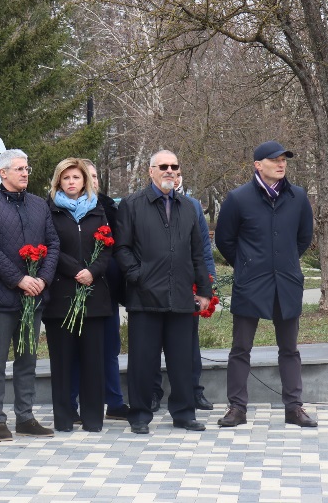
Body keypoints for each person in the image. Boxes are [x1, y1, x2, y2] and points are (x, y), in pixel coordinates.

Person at [215, 141, 316, 428]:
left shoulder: (298, 196)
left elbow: (303, 237)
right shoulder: (238, 198)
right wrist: (246, 265)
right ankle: (237, 407)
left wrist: (283, 263)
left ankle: (294, 408)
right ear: (258, 165)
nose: (281, 164)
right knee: (240, 348)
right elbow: (225, 240)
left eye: (284, 159)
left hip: (286, 282)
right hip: (251, 283)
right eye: (275, 160)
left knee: (290, 349)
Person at [115, 149, 212, 435]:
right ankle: (140, 415)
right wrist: (138, 276)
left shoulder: (188, 207)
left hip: (181, 296)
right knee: (142, 362)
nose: (170, 171)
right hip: (144, 298)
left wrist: (204, 290)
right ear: (151, 171)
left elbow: (197, 252)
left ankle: (183, 413)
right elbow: (121, 248)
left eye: (175, 167)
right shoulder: (132, 204)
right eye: (164, 166)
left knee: (182, 360)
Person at [0, 149, 60, 441]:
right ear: (3, 173)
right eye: (20, 169)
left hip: (33, 296)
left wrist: (43, 279)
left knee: (28, 359)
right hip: (1, 297)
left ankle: (25, 417)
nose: (25, 173)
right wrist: (19, 279)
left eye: (27, 168)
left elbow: (53, 243)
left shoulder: (39, 205)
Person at [43, 158, 112, 433]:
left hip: (93, 297)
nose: (71, 182)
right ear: (58, 182)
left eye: (76, 178)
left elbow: (107, 246)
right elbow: (50, 246)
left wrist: (92, 271)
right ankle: (64, 418)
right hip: (62, 297)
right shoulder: (49, 211)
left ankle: (93, 419)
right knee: (62, 362)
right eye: (66, 178)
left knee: (93, 362)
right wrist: (77, 270)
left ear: (85, 181)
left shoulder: (98, 211)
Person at [151, 171, 216, 412]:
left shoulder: (192, 206)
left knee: (189, 342)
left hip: (186, 285)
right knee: (153, 342)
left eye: (179, 173)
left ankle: (193, 390)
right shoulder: (143, 203)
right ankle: (153, 392)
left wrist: (208, 284)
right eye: (168, 172)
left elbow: (202, 249)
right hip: (154, 286)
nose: (175, 178)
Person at [81, 160, 129, 421]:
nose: (94, 180)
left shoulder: (111, 207)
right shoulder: (60, 209)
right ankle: (77, 402)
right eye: (88, 176)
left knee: (110, 347)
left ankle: (115, 401)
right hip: (76, 287)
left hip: (107, 289)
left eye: (96, 175)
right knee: (78, 349)